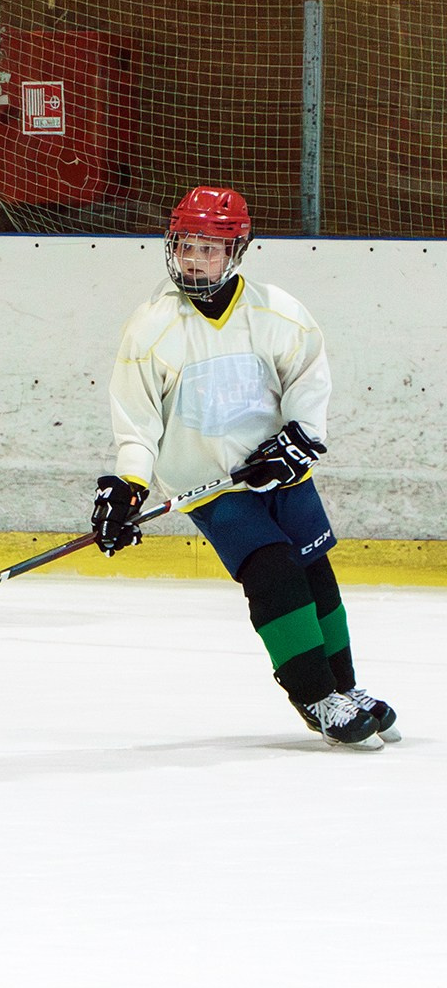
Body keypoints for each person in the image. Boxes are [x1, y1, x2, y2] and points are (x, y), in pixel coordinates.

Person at [91, 184, 398, 749]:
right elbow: (137, 425)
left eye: (210, 248)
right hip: (209, 487)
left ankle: (345, 687)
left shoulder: (279, 312)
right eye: (186, 245)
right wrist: (128, 487)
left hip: (281, 473)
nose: (194, 259)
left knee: (314, 571)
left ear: (237, 250)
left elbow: (309, 384)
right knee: (273, 568)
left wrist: (300, 440)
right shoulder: (150, 327)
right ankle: (314, 695)